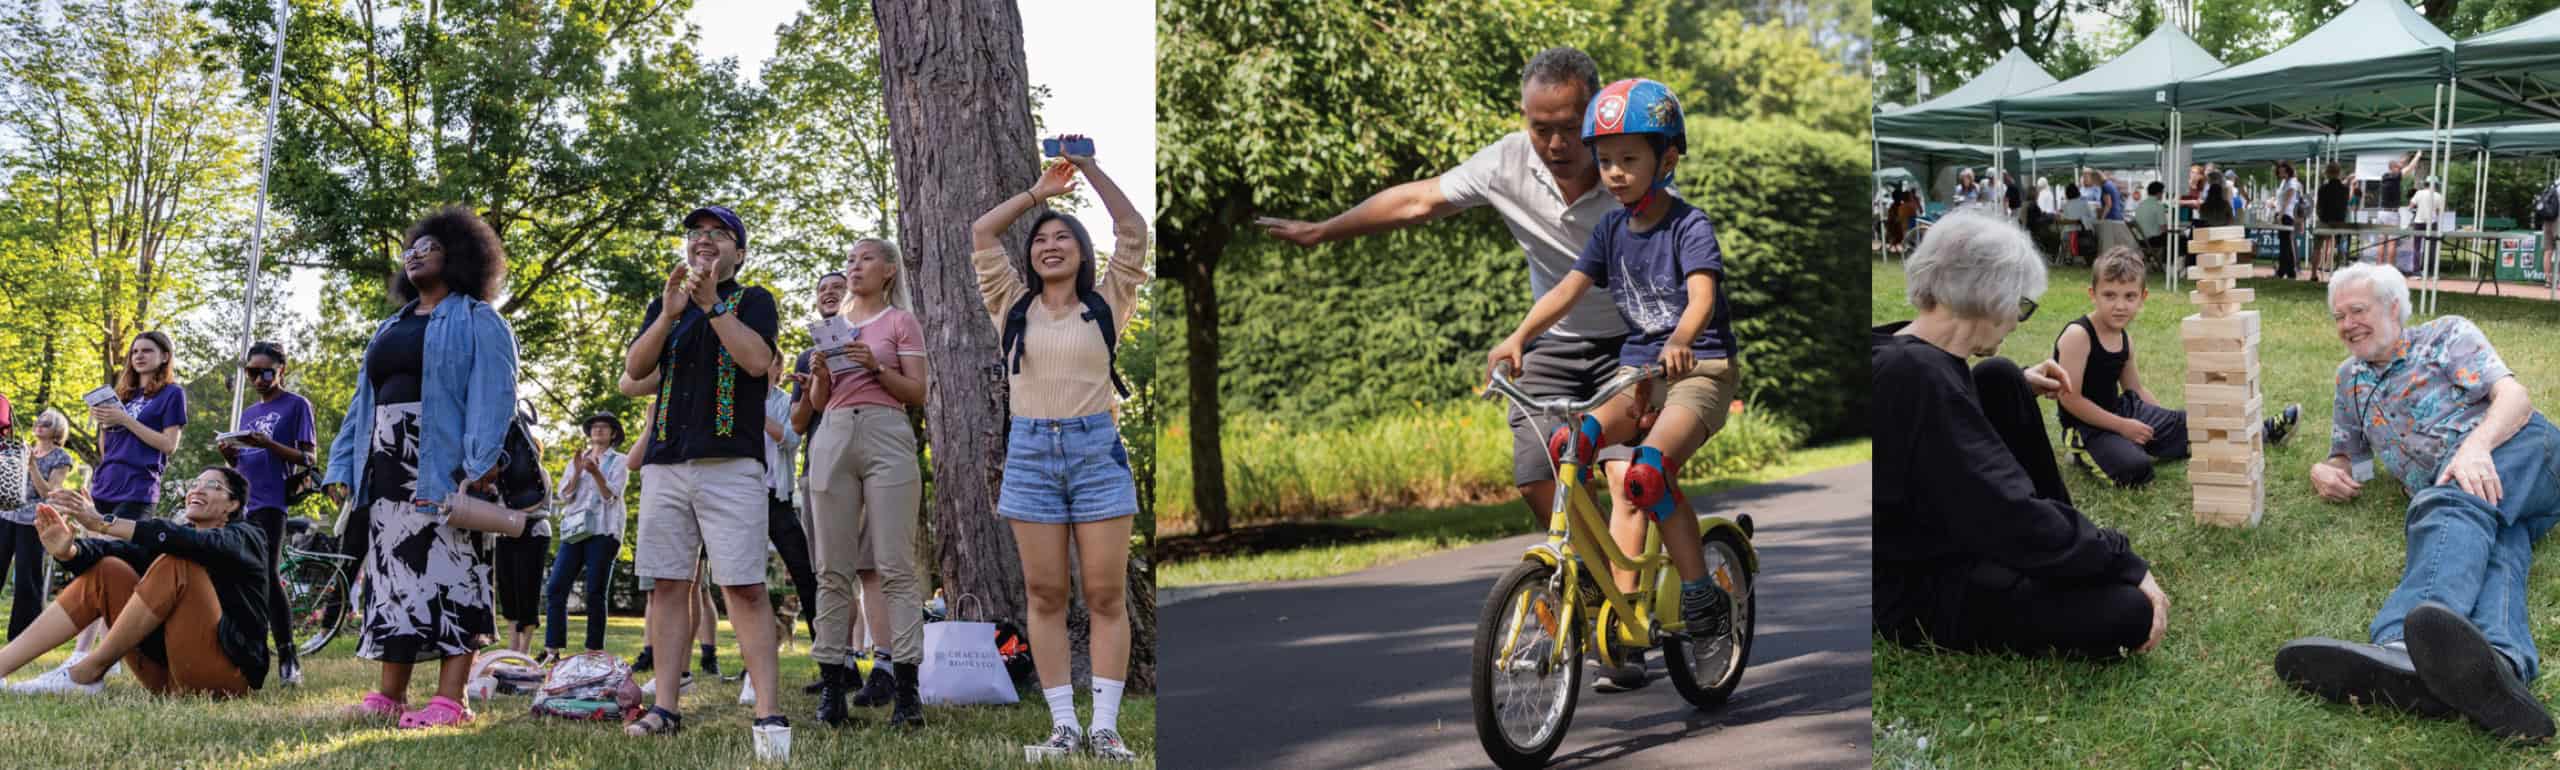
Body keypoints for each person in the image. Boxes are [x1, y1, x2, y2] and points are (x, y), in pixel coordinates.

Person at [1256, 48, 1646, 550]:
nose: (1554, 144)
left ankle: (1643, 598)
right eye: (1539, 127)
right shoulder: (1507, 161)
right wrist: (1325, 230)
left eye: (1569, 127)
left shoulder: (1630, 168)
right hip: (1555, 343)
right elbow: (1420, 200)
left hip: (1632, 344)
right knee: (1538, 478)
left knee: (1626, 479)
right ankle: (1594, 596)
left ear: (1595, 114)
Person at [1484, 77, 1741, 697]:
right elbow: (1568, 290)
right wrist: (1519, 337)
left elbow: (1702, 296)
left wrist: (1680, 340)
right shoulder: (1609, 232)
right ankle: (1607, 595)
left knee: (1647, 475)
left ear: (1666, 159)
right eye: (1605, 160)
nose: (1615, 173)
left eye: (1630, 159)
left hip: (1697, 369)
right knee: (1569, 447)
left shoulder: (1689, 225)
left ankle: (1702, 599)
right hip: (1635, 372)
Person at [2275, 263, 2560, 741]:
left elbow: (2515, 398)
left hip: (2527, 450)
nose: (2347, 325)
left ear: (2393, 306)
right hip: (2489, 501)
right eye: (2338, 316)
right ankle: (2500, 668)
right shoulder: (2351, 380)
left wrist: (2475, 447)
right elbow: (2348, 457)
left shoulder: (2446, 335)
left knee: (2452, 500)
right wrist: (2327, 470)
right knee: (2499, 545)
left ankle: (2400, 648)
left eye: (2358, 310)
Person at [1875, 209, 2168, 659]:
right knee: (2128, 612)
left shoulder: (1902, 353)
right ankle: (2073, 563)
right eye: (2021, 307)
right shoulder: (1920, 379)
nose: (2016, 321)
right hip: (1920, 586)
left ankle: (2070, 558)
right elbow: (2009, 513)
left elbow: (1937, 421)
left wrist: (2017, 384)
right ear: (1991, 299)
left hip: (1939, 532)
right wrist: (2121, 560)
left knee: (2000, 375)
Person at [970, 138, 1149, 761]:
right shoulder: (1011, 306)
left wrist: (1091, 168)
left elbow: (1132, 230)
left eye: (1062, 239)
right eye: (1041, 240)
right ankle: (1063, 727)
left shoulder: (1107, 302)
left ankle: (1105, 727)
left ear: (1080, 254)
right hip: (1029, 455)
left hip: (1095, 451)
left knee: (1103, 594)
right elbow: (982, 234)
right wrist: (1039, 194)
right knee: (1045, 596)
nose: (1049, 245)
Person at [320, 207, 519, 729]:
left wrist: (478, 463)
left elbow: (496, 393)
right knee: (394, 577)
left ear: (458, 255)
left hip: (446, 467)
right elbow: (362, 402)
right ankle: (391, 694)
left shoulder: (478, 319)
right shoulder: (390, 326)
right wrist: (343, 464)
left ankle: (451, 700)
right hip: (385, 466)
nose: (413, 254)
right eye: (410, 248)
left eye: (427, 247)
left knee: (453, 574)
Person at [617, 203, 790, 742]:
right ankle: (665, 707)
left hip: (732, 463)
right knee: (667, 585)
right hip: (667, 463)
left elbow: (758, 362)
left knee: (743, 588)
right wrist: (669, 314)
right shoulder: (663, 305)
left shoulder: (753, 300)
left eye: (720, 233)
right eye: (697, 233)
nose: (705, 239)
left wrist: (713, 305)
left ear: (739, 252)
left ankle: (766, 713)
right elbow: (635, 370)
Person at [795, 236, 930, 728]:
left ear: (889, 271)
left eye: (866, 258)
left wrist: (876, 365)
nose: (855, 266)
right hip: (831, 434)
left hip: (886, 431)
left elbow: (917, 392)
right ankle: (832, 691)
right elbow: (815, 403)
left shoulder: (899, 322)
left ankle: (907, 694)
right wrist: (819, 373)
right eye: (850, 260)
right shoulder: (831, 327)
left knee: (895, 565)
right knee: (832, 569)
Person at [1, 470, 270, 696]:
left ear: (232, 504)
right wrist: (67, 551)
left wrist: (101, 522)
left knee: (179, 562)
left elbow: (193, 543)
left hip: (225, 678)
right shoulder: (181, 538)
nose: (197, 490)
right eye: (194, 485)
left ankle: (86, 672)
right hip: (164, 678)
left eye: (211, 485)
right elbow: (119, 550)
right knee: (109, 569)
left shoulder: (248, 537)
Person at [2052, 249, 2298, 488]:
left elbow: (2135, 389)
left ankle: (2262, 432)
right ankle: (2080, 453)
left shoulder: (2124, 338)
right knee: (2136, 470)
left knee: (2194, 424)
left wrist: (2166, 422)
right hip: (2085, 426)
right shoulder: (2079, 335)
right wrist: (2121, 426)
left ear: (2142, 298)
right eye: (2109, 295)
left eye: (2129, 296)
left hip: (2121, 410)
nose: (2119, 305)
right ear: (2092, 294)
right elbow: (2070, 399)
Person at [218, 341, 315, 685]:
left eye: (266, 371)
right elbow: (243, 462)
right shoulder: (247, 414)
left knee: (268, 576)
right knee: (240, 578)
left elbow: (308, 458)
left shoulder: (296, 406)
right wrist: (231, 454)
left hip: (273, 502)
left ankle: (288, 655)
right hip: (242, 503)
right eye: (252, 372)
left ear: (281, 370)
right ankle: (248, 649)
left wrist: (268, 444)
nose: (259, 378)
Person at [542, 413, 627, 664]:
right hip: (575, 532)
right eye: (594, 427)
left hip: (603, 532)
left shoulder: (619, 461)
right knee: (556, 587)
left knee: (595, 591)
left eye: (604, 427)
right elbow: (565, 495)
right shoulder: (577, 460)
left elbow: (611, 496)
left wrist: (597, 474)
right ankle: (553, 650)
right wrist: (579, 471)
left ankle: (593, 652)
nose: (598, 430)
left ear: (613, 434)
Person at [90, 331, 187, 524]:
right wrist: (104, 424)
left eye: (147, 351)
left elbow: (169, 445)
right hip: (105, 485)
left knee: (120, 550)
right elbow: (106, 451)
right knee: (96, 549)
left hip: (138, 487)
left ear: (165, 356)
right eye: (135, 352)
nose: (139, 356)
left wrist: (126, 420)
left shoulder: (172, 393)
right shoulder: (124, 395)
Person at [8, 409, 73, 640]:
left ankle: (23, 637)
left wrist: (32, 466)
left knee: (28, 578)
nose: (39, 425)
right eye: (38, 421)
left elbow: (49, 493)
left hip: (33, 520)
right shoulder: (22, 448)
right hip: (6, 515)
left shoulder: (61, 458)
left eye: (46, 423)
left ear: (56, 430)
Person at [2318, 163, 2352, 278]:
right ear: (2339, 173)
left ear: (2327, 173)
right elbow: (2345, 205)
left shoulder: (2323, 188)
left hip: (2325, 220)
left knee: (2321, 245)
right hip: (2338, 221)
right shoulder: (2345, 189)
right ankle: (2328, 265)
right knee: (2332, 244)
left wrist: (2321, 217)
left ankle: (2321, 265)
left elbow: (2319, 206)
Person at [2410, 176, 2445, 278]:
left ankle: (2416, 272)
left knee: (2416, 247)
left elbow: (2411, 205)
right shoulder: (2438, 196)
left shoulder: (2419, 193)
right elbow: (2439, 211)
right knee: (2432, 248)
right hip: (2432, 222)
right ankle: (2432, 272)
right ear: (2436, 185)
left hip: (2418, 222)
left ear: (2426, 183)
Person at [2275, 161, 2304, 280]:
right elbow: (2281, 199)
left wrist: (2280, 214)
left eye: (2283, 170)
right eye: (2280, 170)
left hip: (2287, 216)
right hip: (2282, 214)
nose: (2281, 172)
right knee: (2284, 244)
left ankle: (2287, 271)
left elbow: (2288, 200)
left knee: (2286, 244)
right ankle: (2286, 271)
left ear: (2288, 171)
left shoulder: (2292, 182)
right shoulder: (2284, 182)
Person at [2133, 181, 2170, 257]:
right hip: (2153, 241)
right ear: (2159, 193)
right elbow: (2164, 228)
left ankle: (2157, 262)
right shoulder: (2158, 206)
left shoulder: (2140, 205)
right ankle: (2165, 263)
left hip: (2141, 241)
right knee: (2178, 240)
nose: (2162, 195)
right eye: (2162, 192)